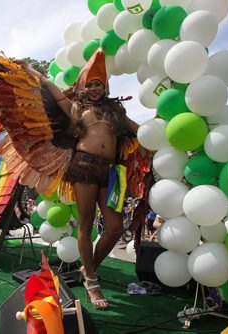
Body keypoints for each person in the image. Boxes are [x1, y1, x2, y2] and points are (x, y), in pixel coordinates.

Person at [26, 50, 139, 309]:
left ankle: (89, 270)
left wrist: (164, 133)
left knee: (114, 228)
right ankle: (91, 281)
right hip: (84, 167)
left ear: (105, 86)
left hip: (109, 172)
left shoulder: (116, 112)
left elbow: (138, 131)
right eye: (88, 84)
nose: (93, 88)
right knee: (86, 224)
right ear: (82, 87)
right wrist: (34, 73)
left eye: (97, 83)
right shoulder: (76, 108)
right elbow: (53, 90)